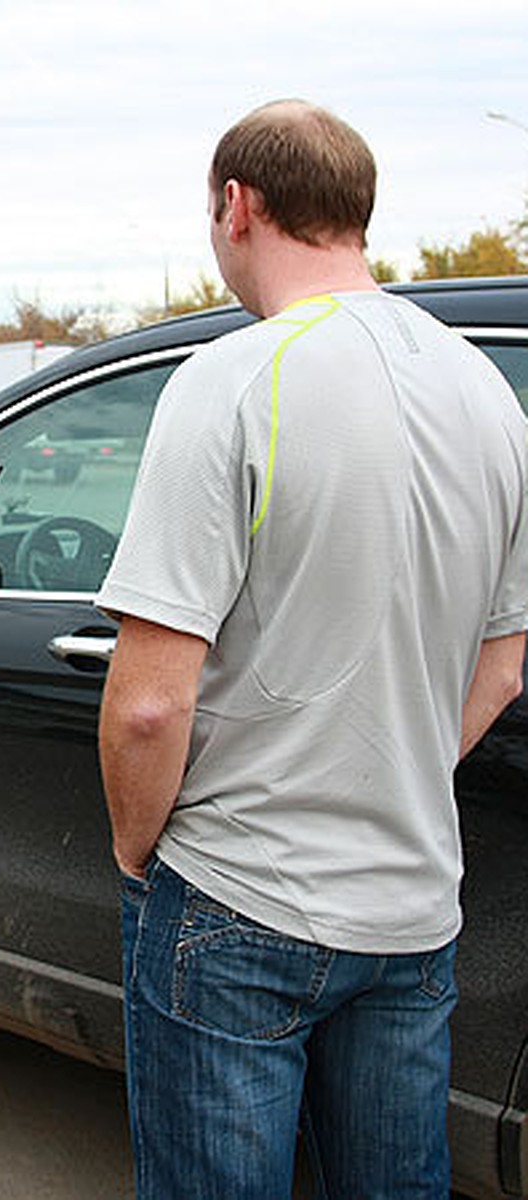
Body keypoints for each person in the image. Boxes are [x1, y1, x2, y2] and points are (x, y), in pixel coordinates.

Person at [95, 100, 528, 1199]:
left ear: (237, 207)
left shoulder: (232, 380)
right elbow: (504, 662)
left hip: (239, 894)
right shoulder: (490, 393)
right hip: (414, 909)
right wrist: (397, 781)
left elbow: (150, 703)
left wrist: (142, 852)